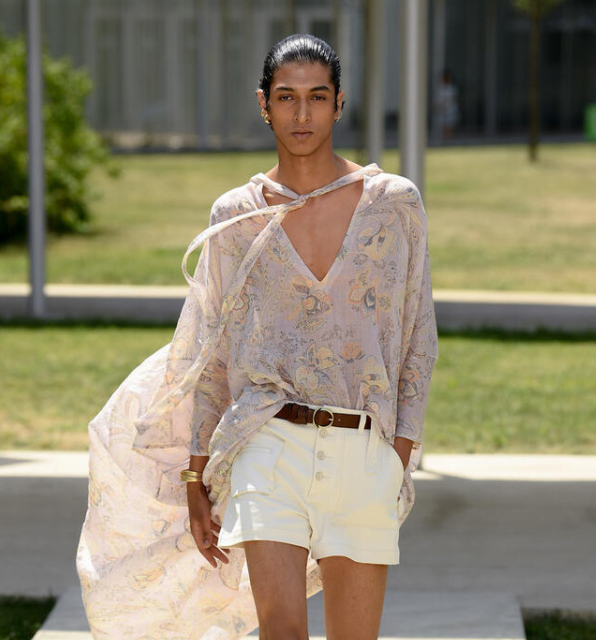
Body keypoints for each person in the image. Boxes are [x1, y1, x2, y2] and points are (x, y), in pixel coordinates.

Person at [77, 34, 437, 640]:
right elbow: (208, 354)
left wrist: (397, 457)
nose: (302, 113)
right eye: (287, 97)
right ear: (263, 105)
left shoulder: (394, 205)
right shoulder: (236, 216)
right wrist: (195, 477)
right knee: (281, 632)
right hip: (267, 442)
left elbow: (417, 336)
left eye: (317, 96)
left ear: (340, 104)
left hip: (362, 447)